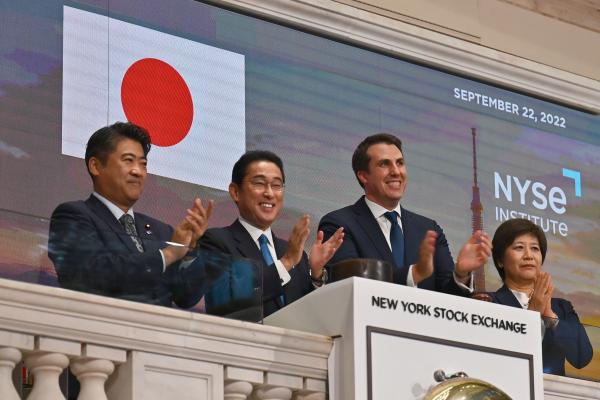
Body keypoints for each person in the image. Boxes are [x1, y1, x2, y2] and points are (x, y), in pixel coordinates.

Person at [48, 122, 213, 308]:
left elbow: (186, 298)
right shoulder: (73, 216)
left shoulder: (161, 231)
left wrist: (189, 251)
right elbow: (88, 275)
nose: (138, 171)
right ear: (95, 166)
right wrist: (167, 255)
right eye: (128, 160)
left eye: (143, 164)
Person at [318, 133, 491, 295]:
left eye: (400, 163)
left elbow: (448, 297)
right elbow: (351, 287)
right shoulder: (338, 224)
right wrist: (414, 273)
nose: (396, 171)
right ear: (363, 176)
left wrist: (461, 274)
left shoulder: (428, 229)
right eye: (384, 164)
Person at [198, 150, 344, 317]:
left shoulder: (296, 255)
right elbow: (229, 296)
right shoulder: (216, 241)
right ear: (235, 192)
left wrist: (316, 274)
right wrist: (286, 262)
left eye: (276, 185)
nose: (269, 193)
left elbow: (313, 315)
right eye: (259, 183)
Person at [490, 218, 593, 376]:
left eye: (535, 249)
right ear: (500, 260)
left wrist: (549, 317)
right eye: (519, 248)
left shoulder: (562, 308)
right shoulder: (489, 303)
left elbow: (582, 358)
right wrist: (531, 315)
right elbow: (499, 360)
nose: (529, 256)